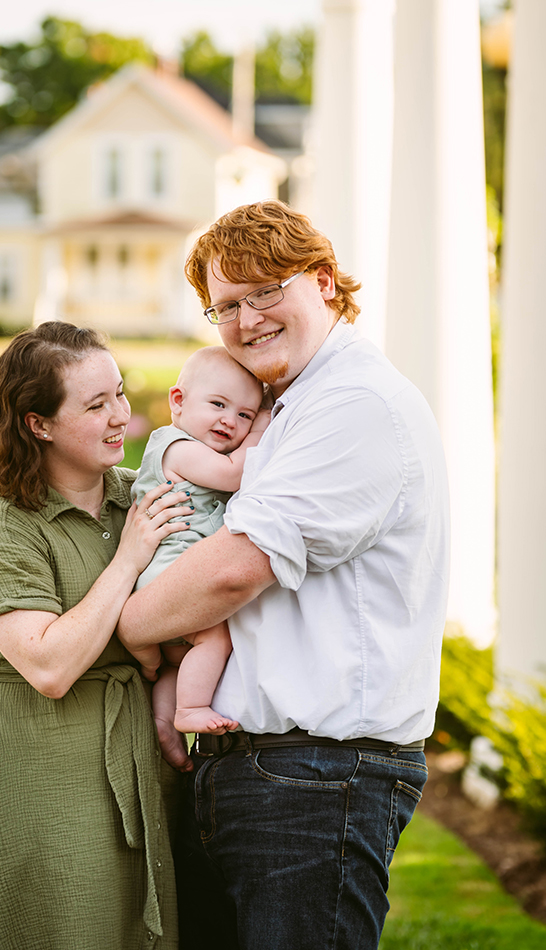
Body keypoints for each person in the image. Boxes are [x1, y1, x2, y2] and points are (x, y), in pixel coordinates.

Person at [116, 200, 451, 950]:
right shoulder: (287, 406)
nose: (246, 319)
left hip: (317, 783)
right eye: (224, 305)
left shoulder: (354, 403)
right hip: (256, 770)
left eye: (266, 291)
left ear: (325, 282)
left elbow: (234, 571)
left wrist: (129, 624)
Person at [0, 322, 193, 950]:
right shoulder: (3, 526)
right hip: (38, 777)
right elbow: (50, 667)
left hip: (139, 767)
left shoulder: (139, 495)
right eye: (95, 404)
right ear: (38, 424)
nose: (120, 416)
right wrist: (129, 561)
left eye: (119, 393)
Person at [125, 346, 269, 771]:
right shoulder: (175, 447)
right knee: (214, 638)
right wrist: (262, 430)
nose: (231, 420)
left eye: (245, 414)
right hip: (170, 575)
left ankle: (164, 720)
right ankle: (190, 710)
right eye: (219, 405)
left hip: (166, 580)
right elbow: (230, 474)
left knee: (178, 660)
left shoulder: (191, 447)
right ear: (178, 402)